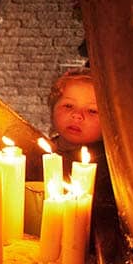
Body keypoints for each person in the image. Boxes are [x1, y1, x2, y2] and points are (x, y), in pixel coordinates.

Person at [47, 67, 112, 205]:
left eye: (92, 111)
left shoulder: (109, 169)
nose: (77, 115)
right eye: (68, 106)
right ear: (53, 109)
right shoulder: (43, 150)